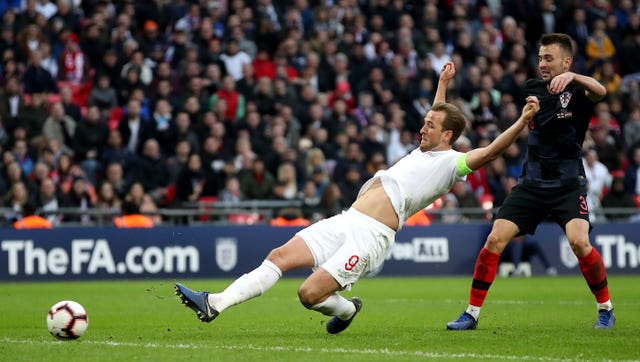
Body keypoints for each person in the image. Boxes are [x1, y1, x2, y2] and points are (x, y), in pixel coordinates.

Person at [174, 61, 540, 334]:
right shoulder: (424, 150)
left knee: (307, 294)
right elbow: (439, 113)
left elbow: (490, 151)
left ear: (447, 136)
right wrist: (442, 83)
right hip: (347, 219)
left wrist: (522, 121)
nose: (422, 127)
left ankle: (347, 310)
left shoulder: (451, 163)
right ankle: (215, 303)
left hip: (371, 237)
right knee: (279, 256)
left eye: (429, 125)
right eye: (424, 121)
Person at [446, 33, 615, 331]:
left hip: (567, 184)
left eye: (548, 58)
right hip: (531, 185)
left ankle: (605, 309)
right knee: (494, 239)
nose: (542, 64)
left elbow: (600, 91)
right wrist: (527, 115)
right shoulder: (532, 88)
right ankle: (471, 314)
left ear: (566, 62)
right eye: (540, 58)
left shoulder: (578, 90)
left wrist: (575, 76)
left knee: (580, 242)